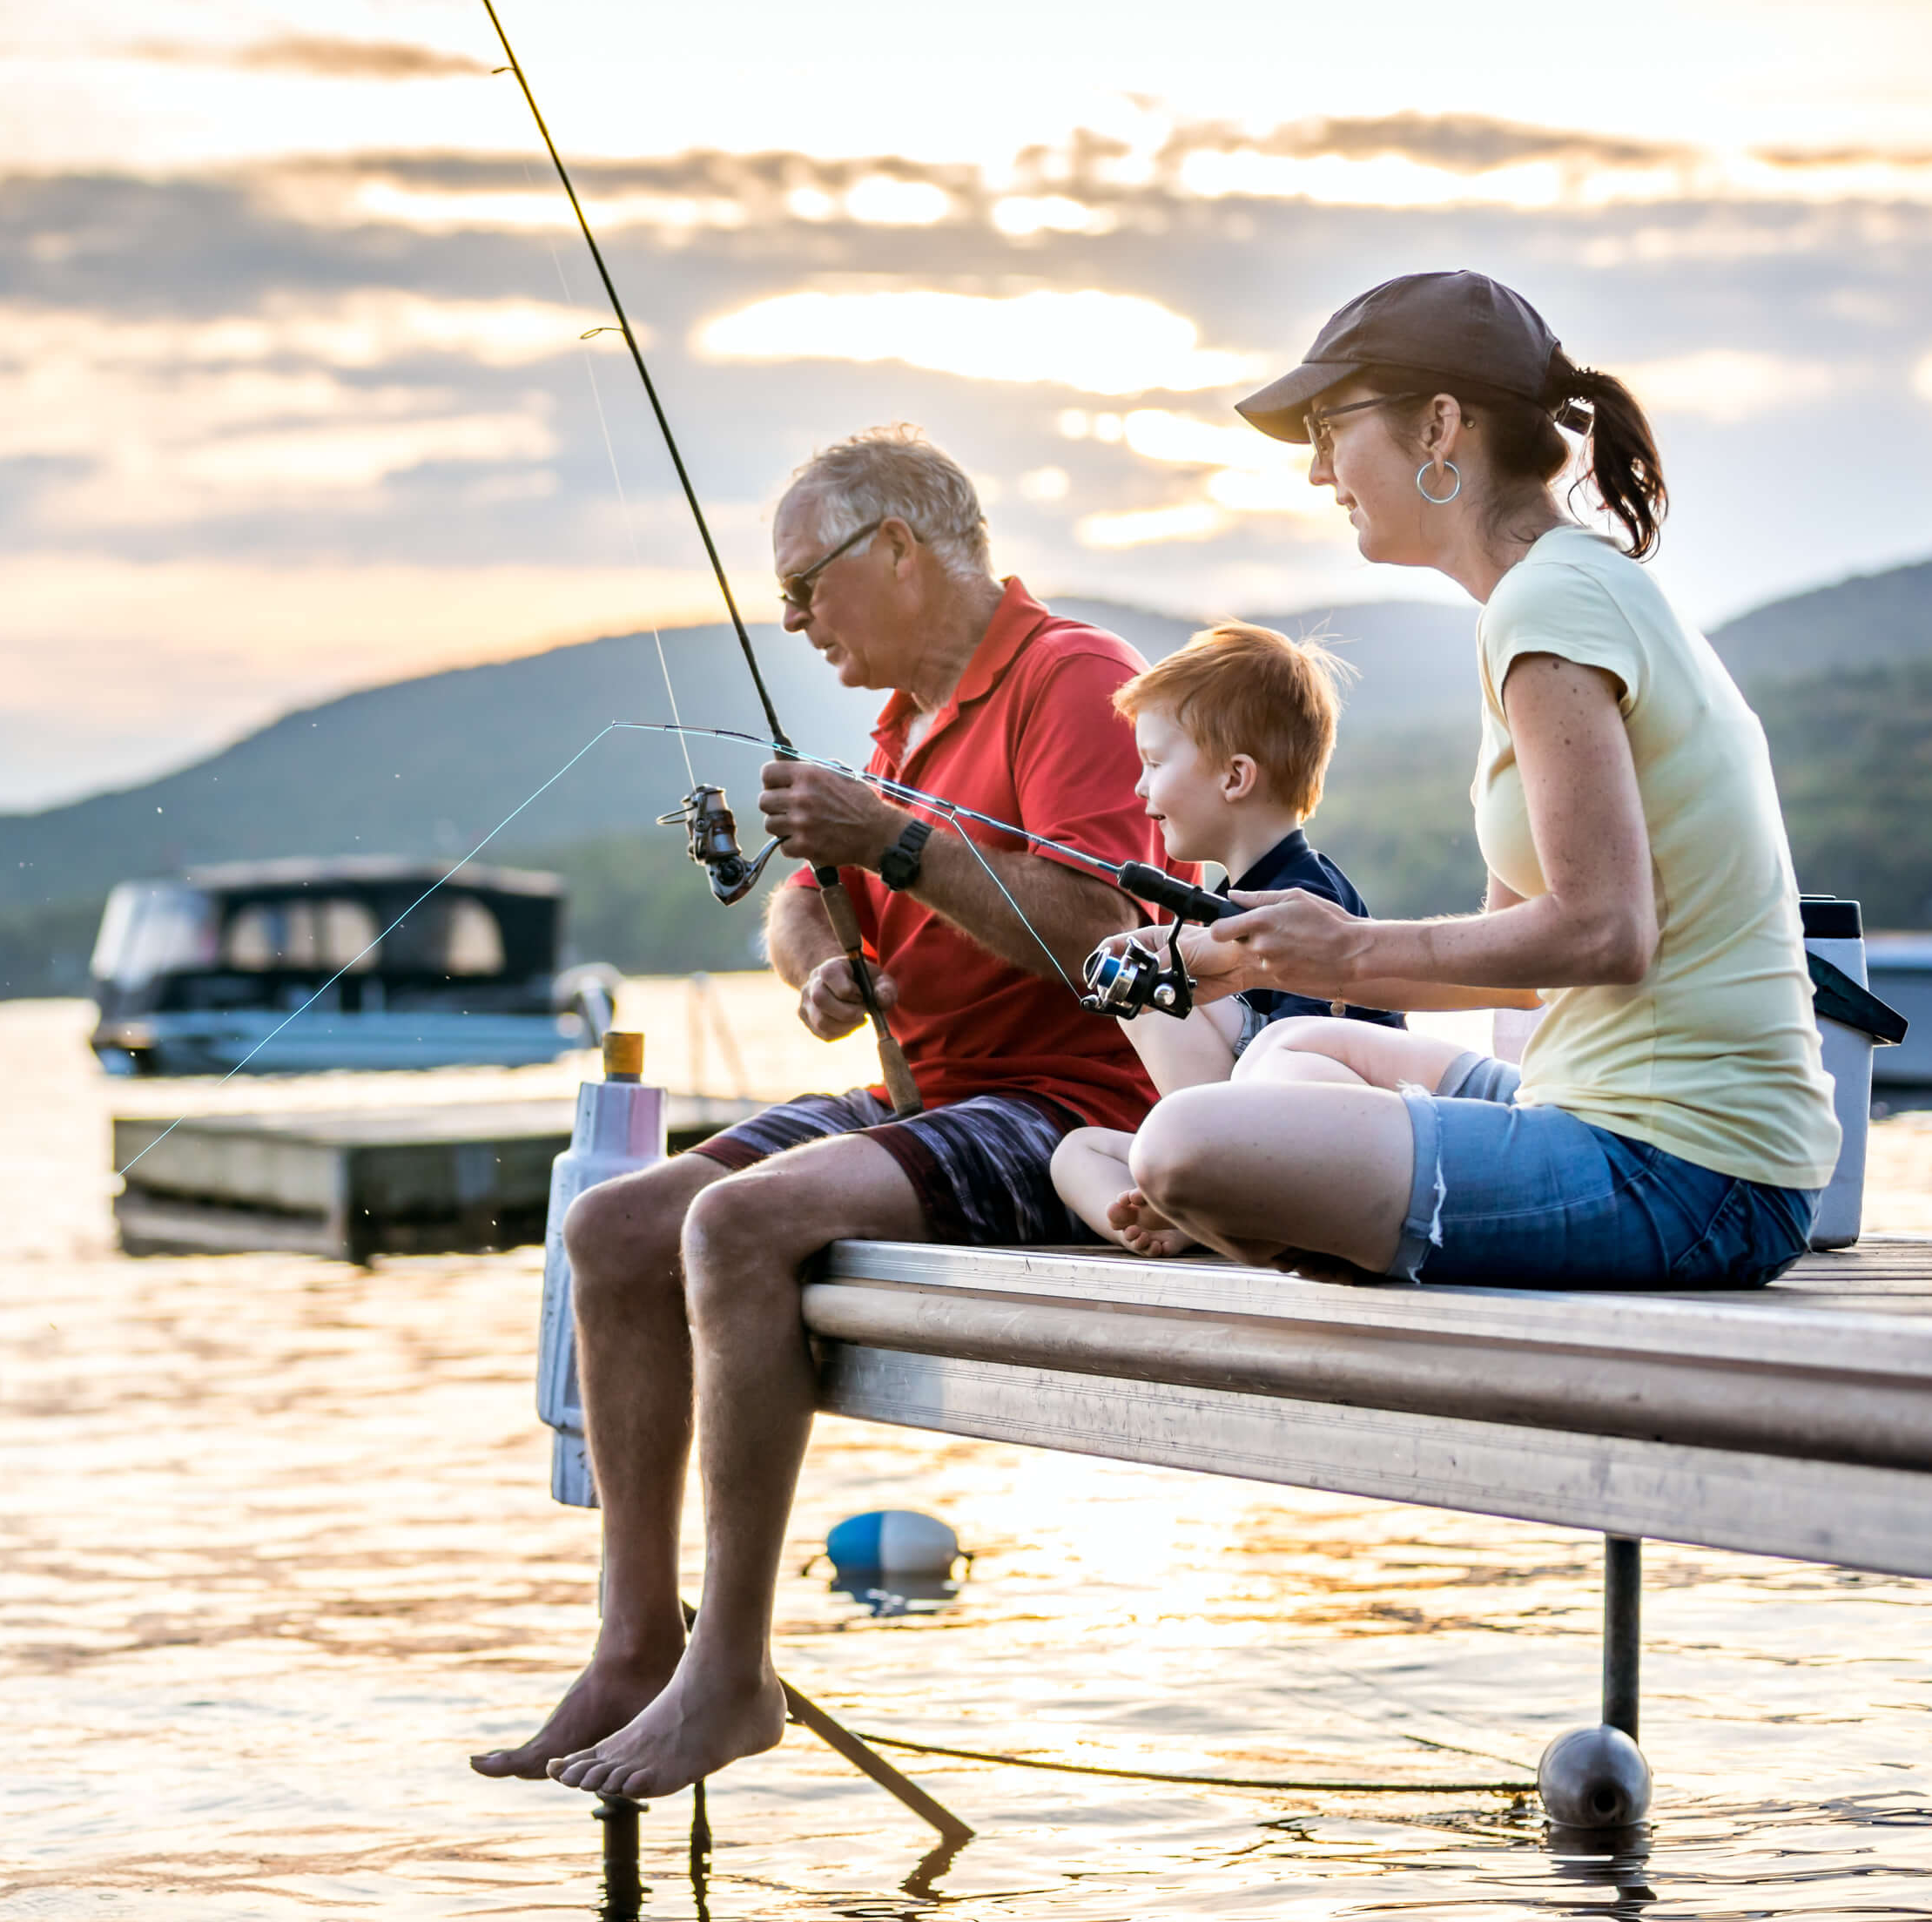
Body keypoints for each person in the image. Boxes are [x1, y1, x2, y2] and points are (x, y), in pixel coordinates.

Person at [470, 423, 1157, 1802]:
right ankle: (628, 1648)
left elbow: (1107, 933)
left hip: (1071, 1113)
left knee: (734, 1226)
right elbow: (794, 899)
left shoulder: (1072, 681)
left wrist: (895, 843)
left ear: (900, 549)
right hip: (921, 1100)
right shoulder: (902, 727)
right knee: (611, 1231)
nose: (792, 619)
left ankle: (731, 1673)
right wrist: (820, 962)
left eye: (807, 584)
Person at [1097, 269, 1837, 1289]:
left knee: (1183, 1147)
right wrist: (1264, 963)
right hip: (1599, 1110)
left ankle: (1295, 1223)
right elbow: (1523, 964)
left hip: (1688, 1170)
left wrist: (1349, 946)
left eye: (1330, 426)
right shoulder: (1555, 595)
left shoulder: (1550, 606)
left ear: (1440, 425)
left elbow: (1607, 933)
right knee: (1297, 1047)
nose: (1320, 471)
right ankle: (1321, 1218)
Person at [1048, 620, 1407, 1242]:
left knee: (1146, 989)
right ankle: (1182, 1213)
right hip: (1250, 1140)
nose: (1140, 787)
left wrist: (1156, 982)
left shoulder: (1307, 904)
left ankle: (1209, 1195)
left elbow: (1307, 1068)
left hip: (1330, 1150)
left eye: (1155, 763)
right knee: (1074, 1153)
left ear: (1235, 778)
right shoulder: (1223, 906)